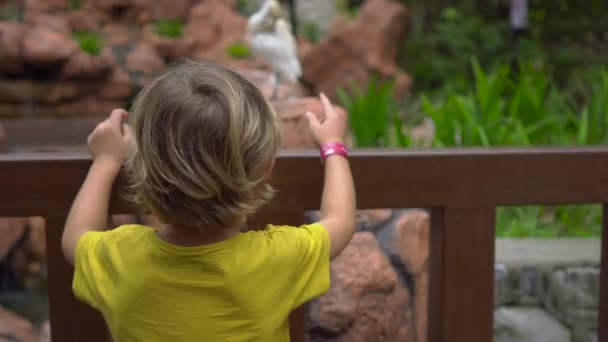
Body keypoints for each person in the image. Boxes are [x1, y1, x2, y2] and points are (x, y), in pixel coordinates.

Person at [61, 61, 356, 341]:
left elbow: (75, 239)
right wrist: (333, 146)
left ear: (142, 167)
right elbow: (339, 222)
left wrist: (105, 161)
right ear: (266, 169)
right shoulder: (275, 258)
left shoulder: (121, 258)